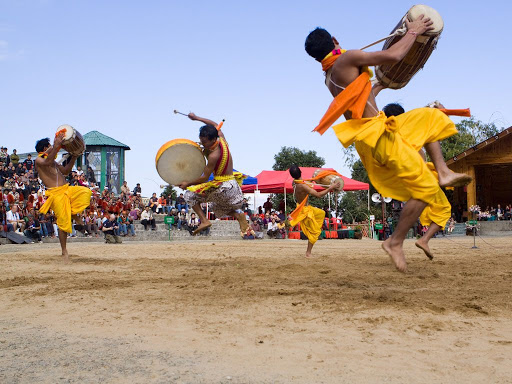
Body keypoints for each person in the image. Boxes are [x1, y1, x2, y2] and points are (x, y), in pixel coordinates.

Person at [305, 22, 472, 272]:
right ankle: (395, 242)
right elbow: (394, 56)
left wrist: (380, 85)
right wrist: (413, 32)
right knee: (426, 188)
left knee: (429, 117)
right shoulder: (347, 58)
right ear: (335, 39)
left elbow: (362, 97)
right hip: (378, 134)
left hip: (374, 132)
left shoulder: (331, 74)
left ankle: (443, 170)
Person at [179, 112, 248, 235]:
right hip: (234, 188)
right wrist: (196, 118)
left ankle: (204, 221)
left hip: (224, 188)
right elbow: (215, 124)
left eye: (205, 142)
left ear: (213, 139)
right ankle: (238, 215)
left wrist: (187, 183)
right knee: (214, 208)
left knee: (189, 196)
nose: (202, 144)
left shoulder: (213, 155)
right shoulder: (222, 139)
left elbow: (205, 178)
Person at [35, 135, 91, 261]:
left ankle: (74, 214)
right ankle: (64, 250)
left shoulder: (53, 162)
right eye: (49, 146)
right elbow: (47, 161)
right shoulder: (39, 160)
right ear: (45, 148)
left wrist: (74, 156)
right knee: (64, 223)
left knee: (85, 192)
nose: (53, 147)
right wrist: (56, 146)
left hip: (66, 189)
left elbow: (65, 171)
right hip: (56, 194)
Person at [288, 165, 340, 257]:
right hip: (304, 211)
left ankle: (314, 228)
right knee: (315, 233)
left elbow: (304, 181)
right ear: (301, 172)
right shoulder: (303, 186)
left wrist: (316, 179)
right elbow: (318, 195)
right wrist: (331, 187)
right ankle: (308, 253)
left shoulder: (294, 182)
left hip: (305, 207)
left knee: (322, 213)